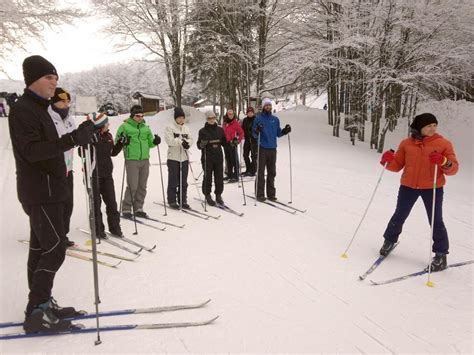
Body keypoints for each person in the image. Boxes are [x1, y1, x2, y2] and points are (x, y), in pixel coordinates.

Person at [8, 55, 95, 333]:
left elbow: (53, 142)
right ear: (33, 79)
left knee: (41, 248)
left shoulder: (40, 108)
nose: (53, 83)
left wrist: (78, 134)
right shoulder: (24, 110)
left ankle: (41, 304)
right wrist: (71, 140)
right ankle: (37, 310)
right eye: (49, 78)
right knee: (56, 248)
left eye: (56, 78)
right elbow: (32, 151)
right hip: (40, 191)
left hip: (51, 188)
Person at [379, 113, 459, 271]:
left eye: (434, 125)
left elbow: (454, 168)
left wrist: (444, 161)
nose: (432, 128)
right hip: (408, 186)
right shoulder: (406, 144)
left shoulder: (443, 144)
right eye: (428, 126)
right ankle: (389, 240)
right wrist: (386, 160)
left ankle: (441, 255)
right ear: (419, 127)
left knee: (436, 220)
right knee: (399, 215)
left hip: (432, 188)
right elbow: (396, 166)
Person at [82, 112, 127, 238]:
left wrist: (120, 143)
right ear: (100, 125)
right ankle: (98, 230)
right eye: (106, 123)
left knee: (112, 202)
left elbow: (112, 152)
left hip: (107, 174)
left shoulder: (108, 136)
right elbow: (82, 153)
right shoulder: (89, 137)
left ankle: (115, 228)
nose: (108, 124)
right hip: (92, 174)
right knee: (96, 203)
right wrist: (90, 142)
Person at [115, 105, 161, 218]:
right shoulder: (124, 127)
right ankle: (126, 208)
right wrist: (123, 141)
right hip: (132, 159)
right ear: (132, 115)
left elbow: (150, 144)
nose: (140, 117)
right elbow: (117, 141)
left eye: (142, 115)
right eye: (137, 115)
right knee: (132, 185)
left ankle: (138, 207)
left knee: (142, 186)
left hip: (145, 159)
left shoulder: (146, 128)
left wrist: (155, 141)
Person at [48, 87, 76, 247]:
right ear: (54, 102)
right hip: (53, 169)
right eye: (62, 101)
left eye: (68, 101)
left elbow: (75, 138)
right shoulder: (48, 118)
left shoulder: (70, 119)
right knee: (55, 205)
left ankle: (63, 234)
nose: (66, 104)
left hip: (68, 168)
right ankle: (53, 236)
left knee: (68, 203)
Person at [252, 98, 291, 202]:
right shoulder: (258, 119)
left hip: (272, 148)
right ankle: (259, 194)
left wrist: (285, 131)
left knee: (272, 172)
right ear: (263, 107)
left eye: (269, 105)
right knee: (260, 171)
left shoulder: (275, 119)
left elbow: (278, 133)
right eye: (266, 105)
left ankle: (271, 194)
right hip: (262, 148)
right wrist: (257, 130)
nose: (268, 107)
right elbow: (254, 134)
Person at [197, 110, 227, 206]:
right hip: (207, 157)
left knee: (219, 177)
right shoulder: (202, 131)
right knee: (208, 176)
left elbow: (224, 143)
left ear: (215, 118)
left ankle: (218, 195)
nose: (212, 120)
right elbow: (198, 145)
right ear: (207, 119)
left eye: (213, 118)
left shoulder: (220, 130)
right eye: (209, 118)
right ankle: (207, 195)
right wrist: (202, 144)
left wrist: (232, 143)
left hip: (218, 156)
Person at [165, 107, 193, 209]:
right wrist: (181, 142)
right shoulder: (170, 127)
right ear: (175, 118)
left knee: (183, 180)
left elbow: (191, 139)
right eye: (179, 118)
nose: (181, 120)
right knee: (173, 179)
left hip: (184, 157)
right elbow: (169, 140)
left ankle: (182, 199)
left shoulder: (186, 128)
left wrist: (188, 143)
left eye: (183, 118)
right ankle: (172, 200)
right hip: (173, 157)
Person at [223, 108, 244, 183]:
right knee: (228, 159)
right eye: (229, 114)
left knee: (234, 159)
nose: (230, 115)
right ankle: (230, 174)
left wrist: (237, 141)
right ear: (227, 114)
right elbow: (224, 132)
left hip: (232, 143)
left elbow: (241, 133)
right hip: (226, 144)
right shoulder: (225, 123)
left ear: (233, 115)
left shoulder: (235, 123)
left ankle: (236, 175)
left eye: (232, 114)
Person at [241, 106, 258, 176]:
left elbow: (258, 129)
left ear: (253, 113)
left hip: (254, 140)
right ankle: (248, 169)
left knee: (254, 156)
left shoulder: (256, 119)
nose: (250, 114)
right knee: (245, 155)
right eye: (249, 112)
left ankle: (253, 169)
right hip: (247, 139)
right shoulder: (245, 120)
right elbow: (242, 129)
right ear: (247, 113)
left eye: (251, 112)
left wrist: (254, 132)